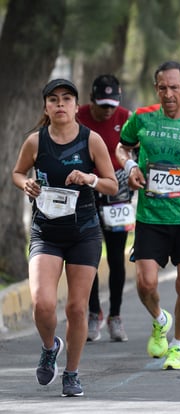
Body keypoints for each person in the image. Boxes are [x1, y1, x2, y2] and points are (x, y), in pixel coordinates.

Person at [12, 79, 118, 397]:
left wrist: (90, 178)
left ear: (75, 106)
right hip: (46, 232)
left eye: (67, 99)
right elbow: (18, 172)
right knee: (43, 304)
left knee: (75, 308)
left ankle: (71, 373)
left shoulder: (92, 140)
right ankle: (49, 347)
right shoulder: (36, 141)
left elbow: (112, 184)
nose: (60, 104)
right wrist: (25, 185)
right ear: (46, 106)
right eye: (54, 99)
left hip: (84, 232)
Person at [115, 61, 180, 370]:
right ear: (156, 89)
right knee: (146, 284)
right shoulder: (142, 118)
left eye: (175, 87)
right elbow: (122, 147)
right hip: (150, 216)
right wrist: (130, 166)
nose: (169, 93)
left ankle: (177, 346)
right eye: (163, 87)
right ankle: (160, 320)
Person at [77, 74, 133, 342]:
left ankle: (116, 315)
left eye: (112, 104)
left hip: (118, 192)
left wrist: (133, 174)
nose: (108, 110)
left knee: (115, 256)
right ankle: (93, 312)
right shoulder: (79, 116)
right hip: (86, 190)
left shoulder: (126, 117)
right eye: (102, 104)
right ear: (91, 99)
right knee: (89, 254)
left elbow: (137, 152)